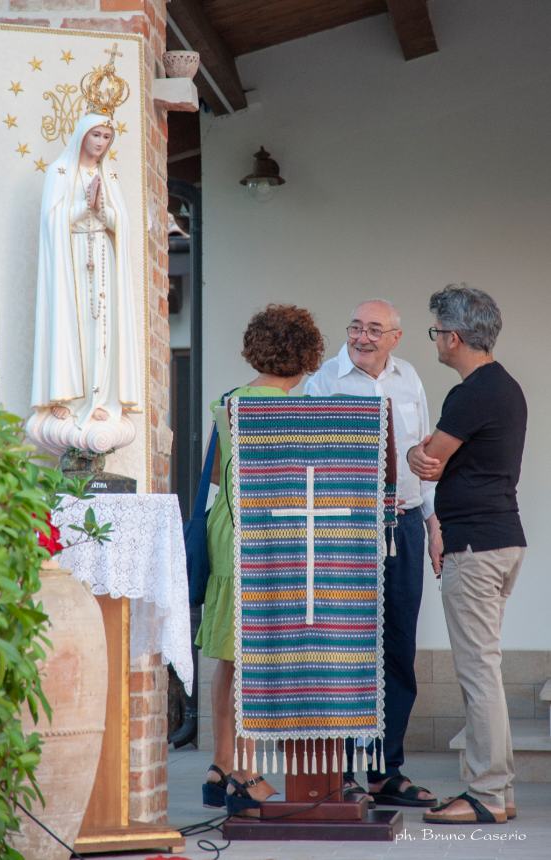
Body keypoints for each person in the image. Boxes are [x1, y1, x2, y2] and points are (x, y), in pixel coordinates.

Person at [305, 299, 440, 807]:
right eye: (356, 327)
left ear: (396, 338)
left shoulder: (409, 379)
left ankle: (386, 770)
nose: (362, 337)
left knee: (398, 645)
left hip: (403, 523)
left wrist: (431, 521)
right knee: (345, 647)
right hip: (345, 528)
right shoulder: (325, 381)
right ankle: (336, 771)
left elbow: (424, 457)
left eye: (374, 330)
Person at [195, 303, 325, 814]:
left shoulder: (229, 400)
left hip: (224, 531)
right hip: (262, 536)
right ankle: (246, 776)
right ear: (305, 356)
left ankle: (220, 764)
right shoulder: (284, 409)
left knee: (230, 656)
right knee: (256, 657)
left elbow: (216, 477)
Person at [408, 285, 527, 825]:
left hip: (475, 546)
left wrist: (418, 451)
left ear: (453, 337)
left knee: (478, 672)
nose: (436, 339)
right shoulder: (505, 387)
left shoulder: (472, 392)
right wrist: (424, 455)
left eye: (436, 331)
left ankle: (484, 792)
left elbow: (428, 459)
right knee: (487, 669)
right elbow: (432, 460)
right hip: (500, 539)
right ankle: (497, 790)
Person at [28, 112, 140, 454]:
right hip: (72, 258)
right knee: (72, 326)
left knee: (102, 329)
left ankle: (100, 397)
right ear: (82, 135)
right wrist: (83, 204)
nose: (101, 143)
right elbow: (52, 220)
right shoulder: (60, 172)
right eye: (96, 135)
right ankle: (70, 399)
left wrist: (101, 207)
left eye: (107, 137)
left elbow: (120, 221)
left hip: (102, 257)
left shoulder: (110, 174)